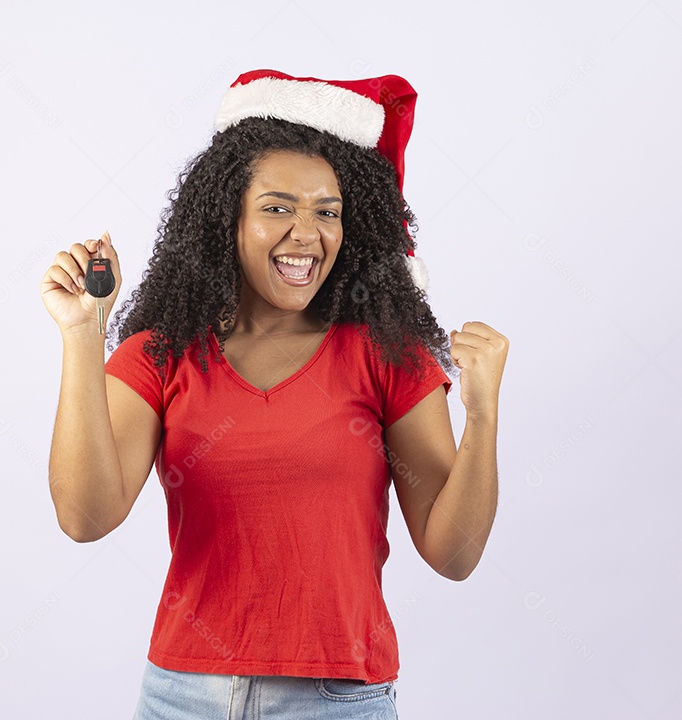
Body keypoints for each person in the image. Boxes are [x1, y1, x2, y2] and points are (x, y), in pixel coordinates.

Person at [40, 69, 509, 719]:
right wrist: (82, 336)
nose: (306, 234)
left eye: (328, 212)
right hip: (182, 695)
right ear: (225, 218)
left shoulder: (385, 355)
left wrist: (481, 418)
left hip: (338, 701)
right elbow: (85, 516)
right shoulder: (163, 352)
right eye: (278, 207)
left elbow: (452, 554)